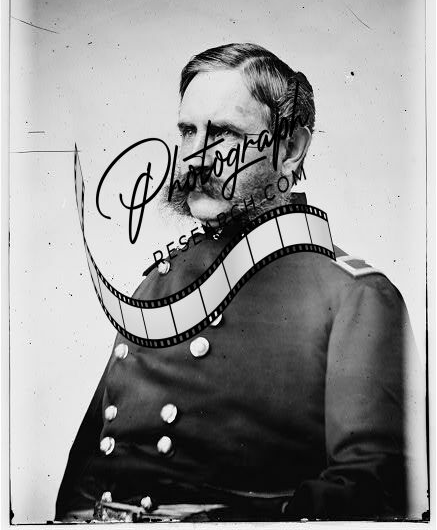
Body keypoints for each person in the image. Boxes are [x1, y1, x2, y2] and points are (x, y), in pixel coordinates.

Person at [55, 43, 419, 522]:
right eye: (188, 131)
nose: (196, 158)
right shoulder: (157, 287)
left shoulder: (355, 297)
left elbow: (370, 493)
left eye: (224, 134)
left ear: (290, 149)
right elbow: (81, 486)